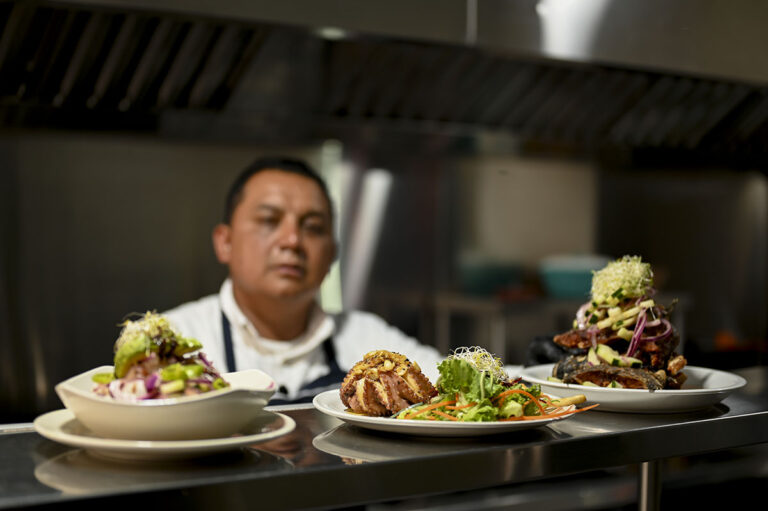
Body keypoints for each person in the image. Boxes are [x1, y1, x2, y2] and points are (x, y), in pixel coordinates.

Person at [164, 156, 444, 404]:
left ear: (332, 255)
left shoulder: (365, 337)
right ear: (225, 242)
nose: (292, 240)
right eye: (269, 221)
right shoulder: (172, 341)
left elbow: (451, 384)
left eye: (312, 227)